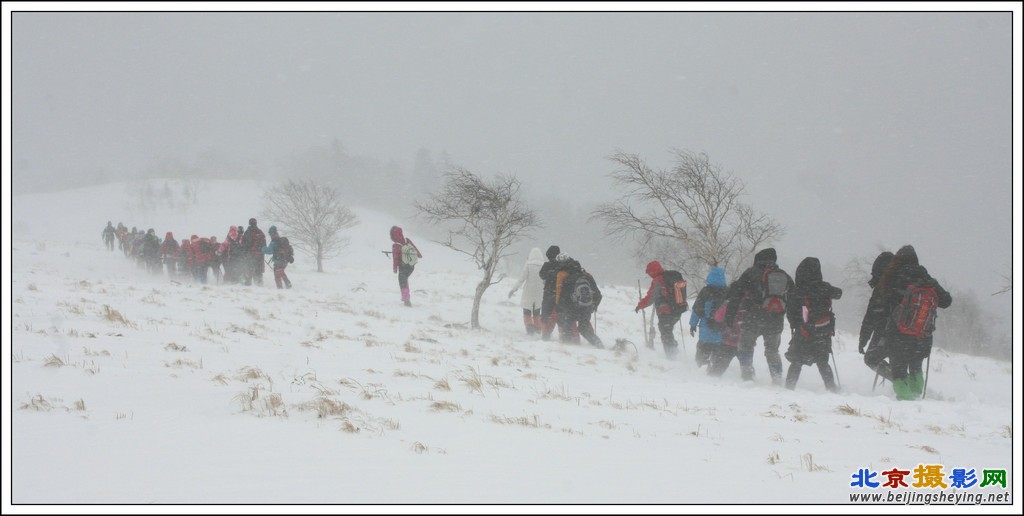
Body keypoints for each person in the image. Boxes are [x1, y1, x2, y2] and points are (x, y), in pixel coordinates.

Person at [872, 245, 952, 400]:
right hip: (922, 335)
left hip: (899, 334)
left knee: (899, 370)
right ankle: (916, 395)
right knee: (916, 367)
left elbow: (884, 303)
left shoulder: (895, 278)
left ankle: (904, 400)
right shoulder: (928, 280)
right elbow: (946, 301)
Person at [724, 248, 793, 384]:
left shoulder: (751, 272)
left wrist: (730, 315)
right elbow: (793, 298)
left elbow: (735, 294)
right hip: (775, 319)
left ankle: (747, 376)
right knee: (772, 350)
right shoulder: (783, 275)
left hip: (753, 318)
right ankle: (777, 378)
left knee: (745, 346)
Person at [783, 257, 842, 392]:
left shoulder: (798, 290)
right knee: (823, 363)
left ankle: (788, 389)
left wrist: (796, 325)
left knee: (796, 362)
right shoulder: (825, 287)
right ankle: (832, 389)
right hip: (823, 332)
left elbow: (791, 312)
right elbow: (839, 293)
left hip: (804, 332)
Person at [858, 251, 895, 382]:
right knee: (898, 362)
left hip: (885, 332)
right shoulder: (906, 284)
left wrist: (863, 339)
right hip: (909, 333)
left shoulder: (882, 288)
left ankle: (901, 381)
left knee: (870, 359)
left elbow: (871, 317)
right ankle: (909, 388)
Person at [635, 260, 682, 359]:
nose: (650, 275)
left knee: (666, 333)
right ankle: (675, 353)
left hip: (665, 312)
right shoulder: (669, 277)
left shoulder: (658, 280)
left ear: (653, 271)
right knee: (668, 332)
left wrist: (640, 305)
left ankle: (672, 357)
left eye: (649, 273)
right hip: (677, 310)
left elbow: (650, 298)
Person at [557, 257, 604, 348]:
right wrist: (593, 306)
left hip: (571, 309)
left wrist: (563, 308)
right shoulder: (587, 277)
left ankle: (567, 348)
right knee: (584, 328)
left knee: (567, 326)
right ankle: (598, 344)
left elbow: (563, 297)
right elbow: (598, 295)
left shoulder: (568, 278)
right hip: (586, 308)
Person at [689, 267, 728, 368]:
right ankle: (714, 368)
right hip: (721, 330)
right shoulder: (727, 292)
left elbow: (697, 310)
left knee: (703, 350)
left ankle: (701, 365)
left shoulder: (705, 291)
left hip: (706, 329)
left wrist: (693, 325)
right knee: (717, 352)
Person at [508, 248, 545, 335]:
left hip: (528, 292)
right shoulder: (544, 266)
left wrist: (513, 289)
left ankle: (529, 326)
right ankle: (538, 328)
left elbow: (521, 279)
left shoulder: (528, 265)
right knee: (537, 311)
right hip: (540, 293)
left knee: (527, 311)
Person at [390, 226, 422, 306]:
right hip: (411, 265)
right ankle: (406, 297)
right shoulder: (407, 240)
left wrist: (395, 268)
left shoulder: (396, 245)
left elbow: (395, 258)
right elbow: (414, 248)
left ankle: (406, 299)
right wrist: (419, 255)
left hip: (403, 265)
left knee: (402, 281)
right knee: (405, 280)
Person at [538, 245, 562, 340]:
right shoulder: (562, 265)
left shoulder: (547, 265)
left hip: (548, 293)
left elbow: (541, 275)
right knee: (560, 315)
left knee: (546, 314)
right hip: (561, 294)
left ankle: (545, 335)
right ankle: (565, 336)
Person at [241, 218, 267, 286]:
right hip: (259, 256)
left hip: (250, 255)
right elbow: (264, 245)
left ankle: (248, 286)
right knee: (258, 272)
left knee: (249, 271)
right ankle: (259, 285)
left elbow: (244, 245)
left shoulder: (247, 232)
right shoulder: (260, 232)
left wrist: (244, 253)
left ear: (249, 223)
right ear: (256, 223)